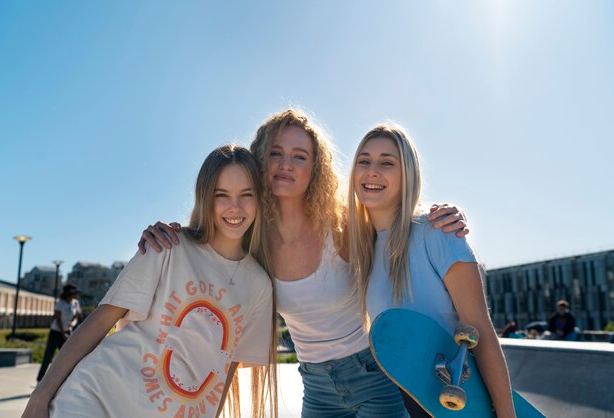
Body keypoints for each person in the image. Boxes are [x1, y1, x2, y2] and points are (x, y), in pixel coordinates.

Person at [139, 109, 470, 417]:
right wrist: (165, 236)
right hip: (315, 386)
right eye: (275, 153)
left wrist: (441, 215)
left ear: (315, 169)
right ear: (259, 162)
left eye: (300, 156)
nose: (286, 164)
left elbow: (396, 218)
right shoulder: (251, 242)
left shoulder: (343, 226)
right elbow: (203, 247)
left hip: (375, 376)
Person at [23, 145, 277, 418]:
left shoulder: (259, 286)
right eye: (221, 195)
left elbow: (227, 368)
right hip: (94, 399)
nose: (235, 207)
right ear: (205, 197)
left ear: (259, 199)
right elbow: (99, 322)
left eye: (246, 195)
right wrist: (39, 398)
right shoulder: (168, 245)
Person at [347, 124, 516, 417]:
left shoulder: (437, 231)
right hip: (401, 406)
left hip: (455, 403)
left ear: (407, 174)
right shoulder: (364, 247)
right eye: (364, 161)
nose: (372, 170)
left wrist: (507, 415)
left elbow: (482, 332)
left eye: (387, 162)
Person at [36, 284, 82, 383]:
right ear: (69, 294)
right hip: (56, 333)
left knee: (66, 357)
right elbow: (57, 320)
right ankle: (40, 379)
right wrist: (63, 333)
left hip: (66, 332)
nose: (76, 295)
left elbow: (77, 316)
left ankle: (62, 380)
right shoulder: (60, 303)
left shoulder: (75, 303)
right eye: (74, 293)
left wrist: (71, 325)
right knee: (48, 356)